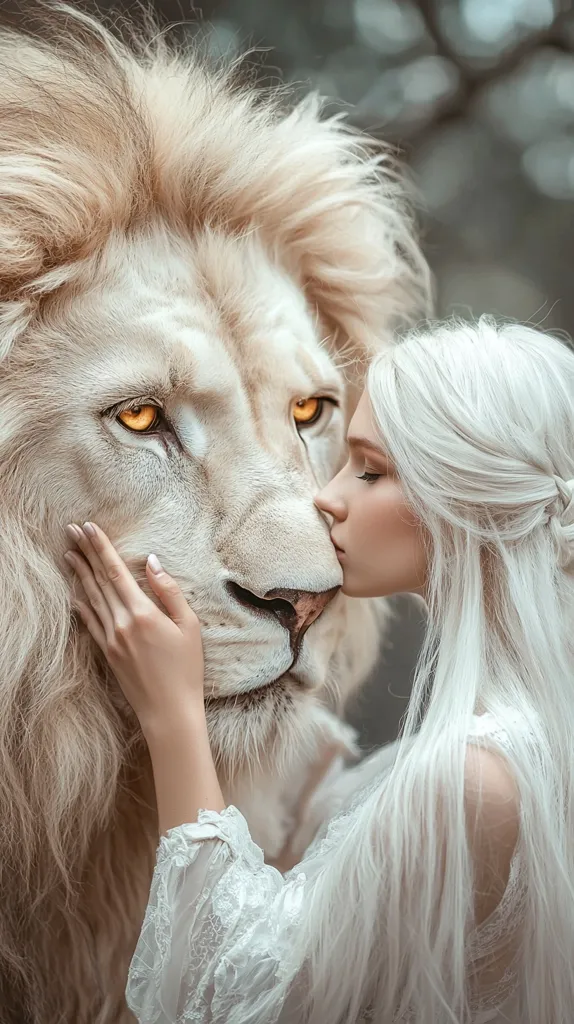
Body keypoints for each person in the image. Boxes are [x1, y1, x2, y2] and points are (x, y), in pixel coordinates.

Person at [63, 316, 574, 1023]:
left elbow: (221, 1000)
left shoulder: (469, 782)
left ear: (463, 497)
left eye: (369, 470)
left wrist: (172, 712)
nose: (324, 499)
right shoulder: (518, 744)